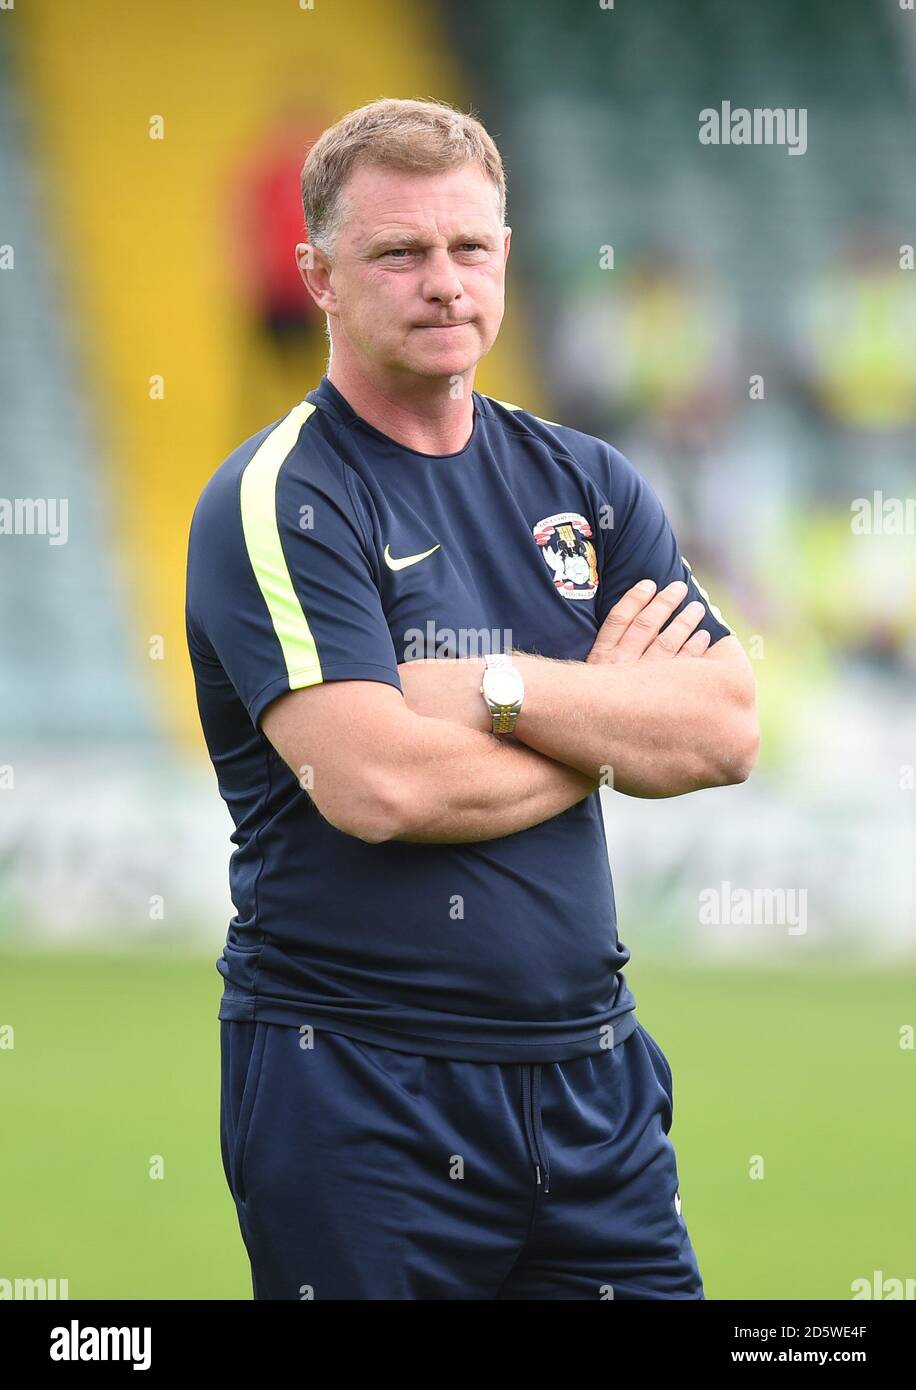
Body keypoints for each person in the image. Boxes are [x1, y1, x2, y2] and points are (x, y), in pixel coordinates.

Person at [185, 97, 759, 1300]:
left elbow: (722, 728)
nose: (443, 282)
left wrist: (501, 689)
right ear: (319, 276)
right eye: (399, 251)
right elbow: (379, 784)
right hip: (360, 1090)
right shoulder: (282, 497)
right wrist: (604, 717)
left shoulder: (586, 479)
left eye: (471, 248)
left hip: (593, 1086)